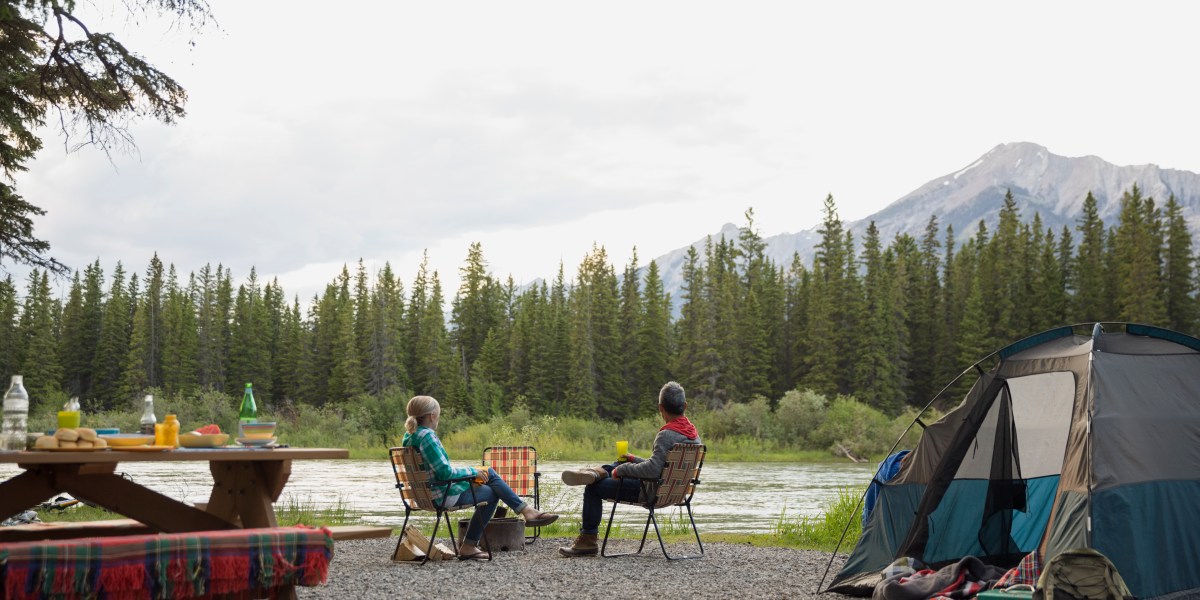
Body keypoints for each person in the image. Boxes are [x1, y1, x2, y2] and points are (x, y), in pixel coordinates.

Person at [402, 395, 559, 560]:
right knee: (491, 493)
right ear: (432, 416)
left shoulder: (410, 436)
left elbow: (438, 472)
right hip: (441, 495)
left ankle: (526, 511)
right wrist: (472, 472)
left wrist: (473, 473)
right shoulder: (427, 436)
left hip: (423, 495)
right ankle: (470, 545)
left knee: (488, 473)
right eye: (438, 415)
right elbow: (445, 473)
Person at [558, 381, 702, 557]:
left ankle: (587, 541)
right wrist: (633, 460)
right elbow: (663, 467)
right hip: (674, 492)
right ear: (685, 406)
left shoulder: (666, 435)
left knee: (594, 488)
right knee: (620, 463)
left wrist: (624, 469)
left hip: (650, 492)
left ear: (660, 408)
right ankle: (595, 473)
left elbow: (653, 471)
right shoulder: (694, 436)